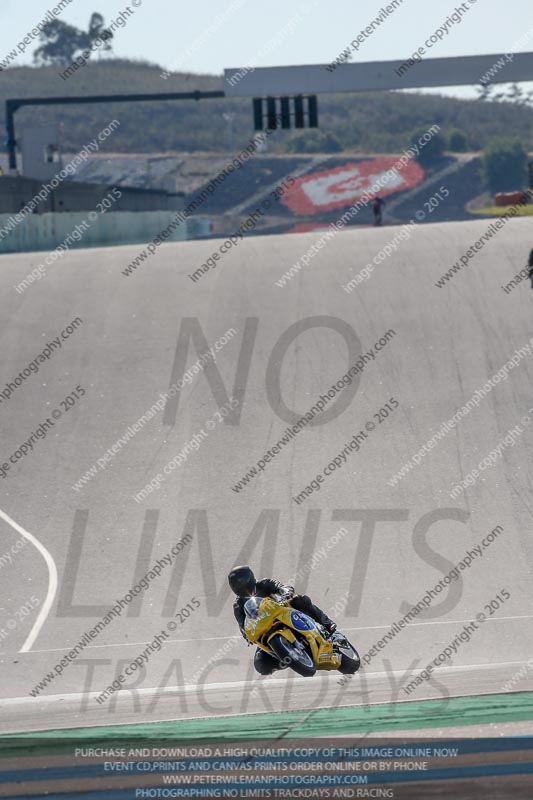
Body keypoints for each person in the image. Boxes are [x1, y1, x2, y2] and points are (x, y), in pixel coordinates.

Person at [228, 565, 337, 676]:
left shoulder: (264, 584)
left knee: (300, 600)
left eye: (240, 583)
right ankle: (290, 657)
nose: (239, 586)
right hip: (264, 629)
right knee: (260, 664)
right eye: (235, 584)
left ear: (249, 579)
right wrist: (247, 635)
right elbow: (242, 625)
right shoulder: (238, 606)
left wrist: (286, 592)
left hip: (282, 612)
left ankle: (327, 624)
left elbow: (280, 586)